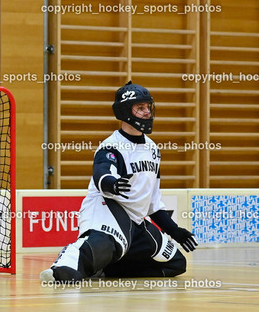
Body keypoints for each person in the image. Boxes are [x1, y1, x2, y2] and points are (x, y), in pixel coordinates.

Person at [40, 81, 198, 283]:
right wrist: (112, 184)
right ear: (125, 111)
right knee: (100, 245)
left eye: (148, 107)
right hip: (110, 211)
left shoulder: (153, 150)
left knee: (176, 264)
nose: (147, 112)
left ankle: (109, 269)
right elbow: (102, 172)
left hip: (137, 224)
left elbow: (153, 204)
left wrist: (175, 231)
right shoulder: (112, 146)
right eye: (140, 108)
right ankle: (60, 269)